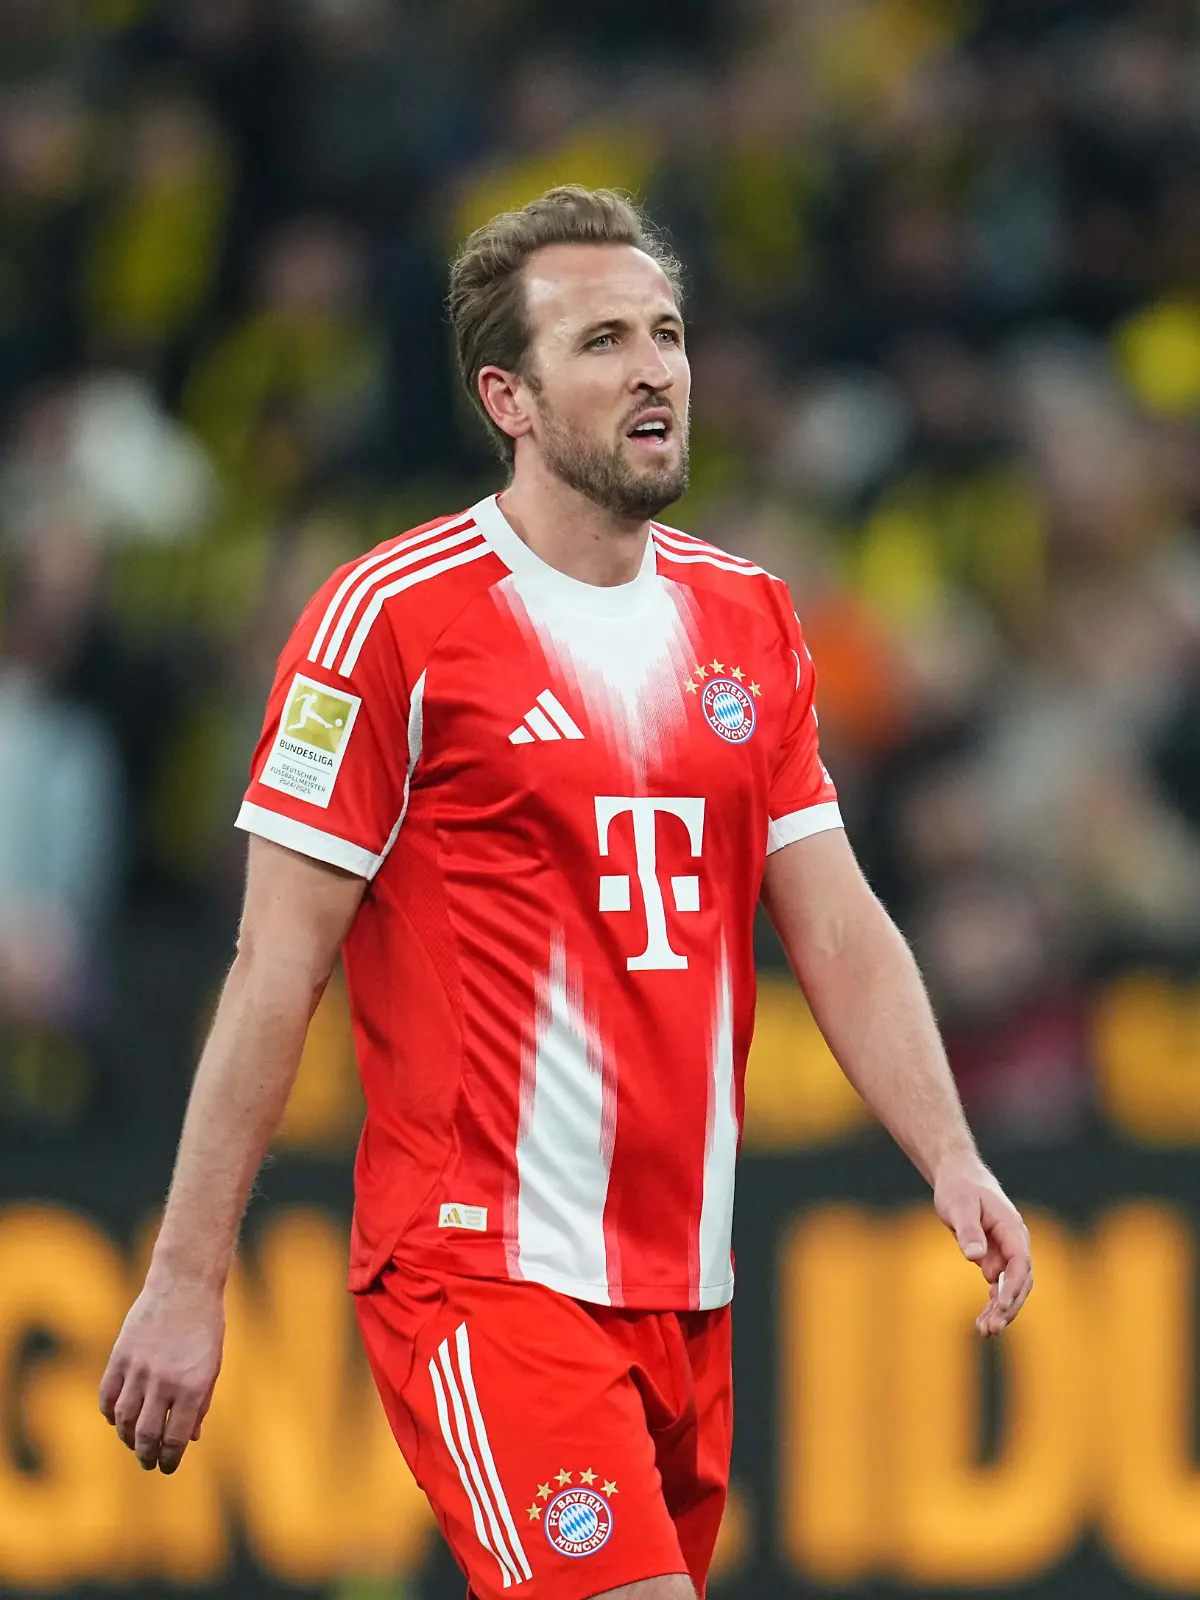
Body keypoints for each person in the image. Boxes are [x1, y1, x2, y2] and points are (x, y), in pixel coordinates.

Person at [99, 187, 1033, 1600]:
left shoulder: (751, 618)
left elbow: (834, 921)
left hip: (684, 1285)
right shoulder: (391, 622)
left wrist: (950, 1153)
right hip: (481, 1272)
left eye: (667, 332)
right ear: (510, 399)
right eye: (603, 340)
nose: (656, 366)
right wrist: (186, 1276)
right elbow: (272, 966)